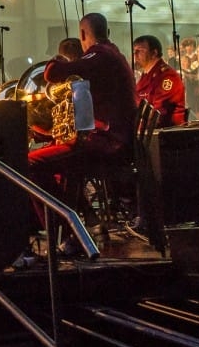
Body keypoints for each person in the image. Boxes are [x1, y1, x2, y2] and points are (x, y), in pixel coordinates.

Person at [28, 13, 137, 215]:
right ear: (108, 32)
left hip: (108, 144)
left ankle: (69, 229)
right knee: (56, 151)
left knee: (31, 163)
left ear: (83, 33)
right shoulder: (113, 54)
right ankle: (87, 218)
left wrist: (59, 58)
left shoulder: (100, 56)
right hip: (112, 139)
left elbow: (51, 73)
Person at [132, 34, 186, 127]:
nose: (135, 55)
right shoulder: (146, 74)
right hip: (146, 131)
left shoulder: (168, 77)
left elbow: (158, 114)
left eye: (140, 51)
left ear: (154, 53)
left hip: (165, 134)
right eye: (134, 51)